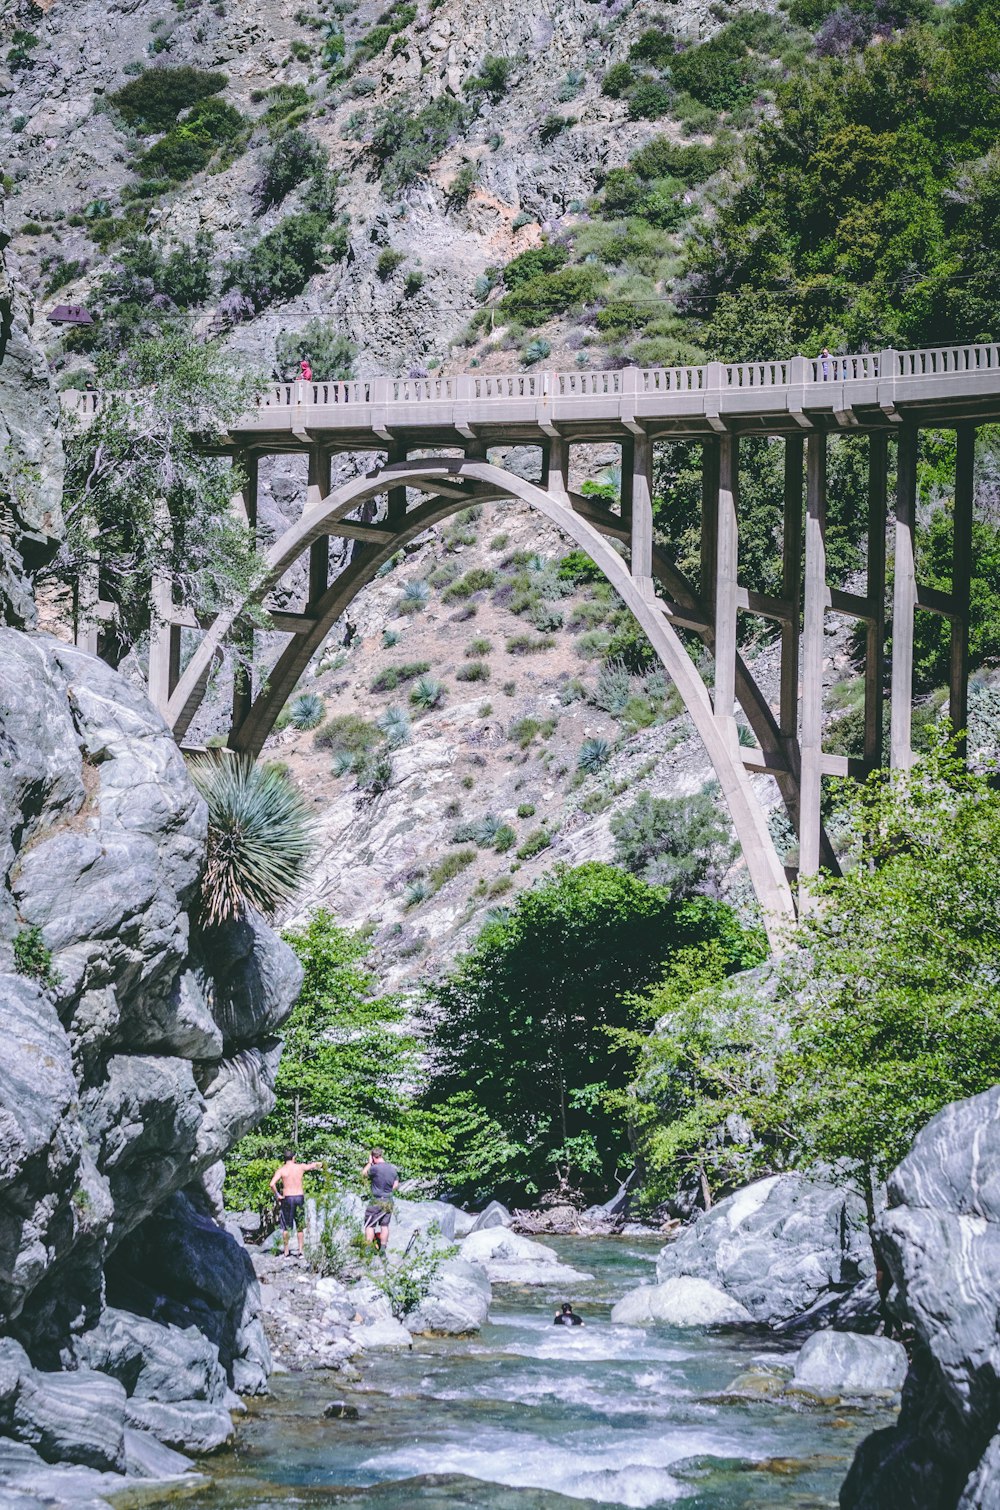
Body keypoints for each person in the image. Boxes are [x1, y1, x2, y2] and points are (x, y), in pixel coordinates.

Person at [269, 1149, 323, 1258]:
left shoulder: (282, 1170)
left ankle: (286, 1251)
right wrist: (321, 1164)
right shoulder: (300, 1167)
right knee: (299, 1225)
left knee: (286, 1227)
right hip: (299, 1197)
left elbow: (272, 1184)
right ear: (293, 1158)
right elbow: (311, 1166)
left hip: (287, 1198)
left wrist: (278, 1195)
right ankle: (301, 1251)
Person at [362, 1147, 399, 1253]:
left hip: (376, 1200)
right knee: (384, 1225)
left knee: (370, 1225)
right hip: (388, 1200)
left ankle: (368, 1249)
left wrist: (369, 1164)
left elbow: (363, 1174)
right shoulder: (392, 1169)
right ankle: (383, 1248)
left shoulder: (375, 1168)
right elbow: (396, 1185)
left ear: (373, 1157)